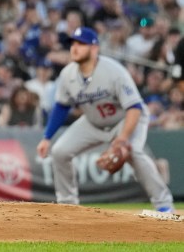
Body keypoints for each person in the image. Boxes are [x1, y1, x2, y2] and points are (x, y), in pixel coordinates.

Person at [36, 27, 175, 212]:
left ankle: (164, 205)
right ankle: (67, 205)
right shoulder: (67, 74)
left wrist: (123, 138)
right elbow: (62, 106)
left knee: (134, 153)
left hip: (126, 119)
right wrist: (47, 137)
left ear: (94, 49)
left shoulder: (114, 71)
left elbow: (134, 108)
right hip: (93, 122)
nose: (75, 48)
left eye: (81, 44)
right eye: (73, 44)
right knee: (60, 151)